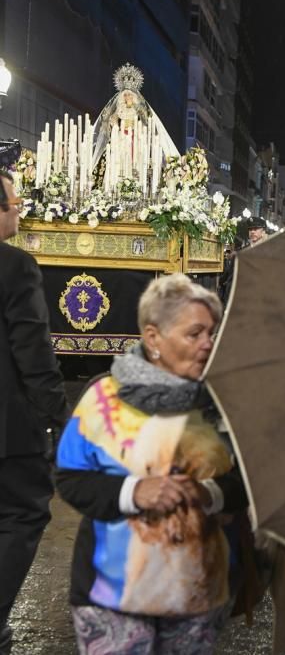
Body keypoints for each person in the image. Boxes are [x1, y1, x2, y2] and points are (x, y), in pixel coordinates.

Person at [55, 273, 248, 655]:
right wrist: (133, 491)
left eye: (212, 333)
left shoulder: (225, 403)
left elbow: (250, 480)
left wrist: (209, 493)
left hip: (197, 595)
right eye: (195, 334)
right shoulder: (103, 399)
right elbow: (70, 477)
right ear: (153, 338)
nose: (207, 344)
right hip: (111, 596)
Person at [0, 170, 69, 654]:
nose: (19, 208)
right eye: (12, 202)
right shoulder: (15, 267)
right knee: (23, 513)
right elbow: (33, 352)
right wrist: (59, 418)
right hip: (9, 430)